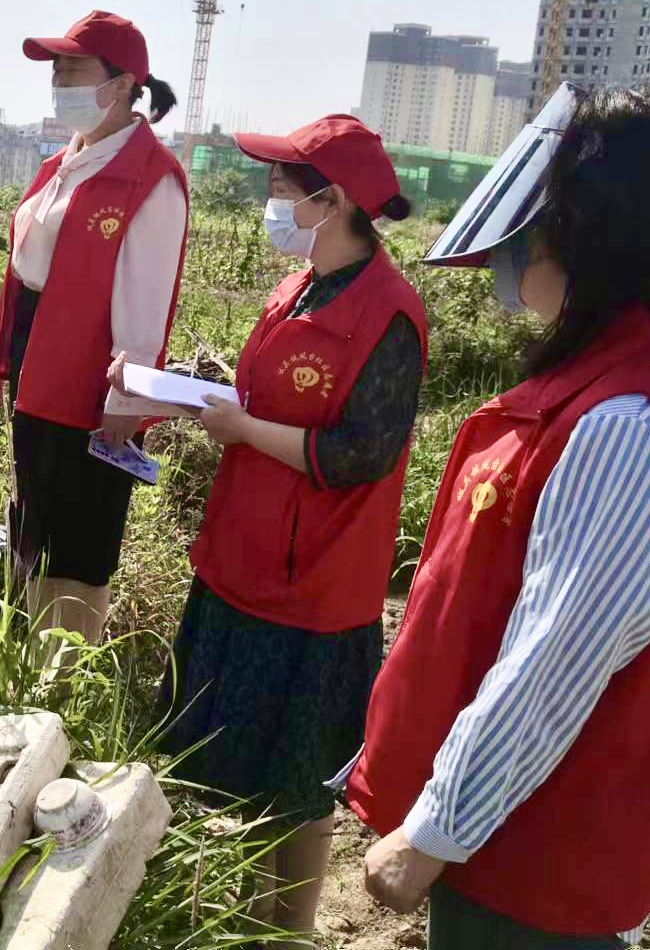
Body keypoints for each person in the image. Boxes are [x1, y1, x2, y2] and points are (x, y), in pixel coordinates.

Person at [348, 87, 650, 947]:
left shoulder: (626, 427)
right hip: (509, 843)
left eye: (540, 225)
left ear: (590, 237)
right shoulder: (601, 398)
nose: (520, 252)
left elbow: (557, 659)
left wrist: (434, 831)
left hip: (530, 867)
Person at [114, 115, 425, 941]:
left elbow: (365, 451)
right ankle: (247, 921)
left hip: (314, 587)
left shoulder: (388, 318)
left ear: (334, 201)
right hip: (241, 561)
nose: (272, 198)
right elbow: (266, 401)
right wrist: (181, 390)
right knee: (236, 766)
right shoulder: (298, 290)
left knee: (296, 782)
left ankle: (288, 931)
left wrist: (247, 432)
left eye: (285, 186)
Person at [0, 9, 189, 656]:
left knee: (77, 540)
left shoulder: (151, 180)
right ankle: (16, 666)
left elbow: (146, 299)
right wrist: (1, 358)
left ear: (124, 84)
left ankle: (59, 683)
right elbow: (27, 272)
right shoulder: (61, 164)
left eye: (74, 67)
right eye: (56, 68)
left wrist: (125, 403)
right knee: (30, 519)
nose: (60, 79)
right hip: (36, 366)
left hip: (89, 388)